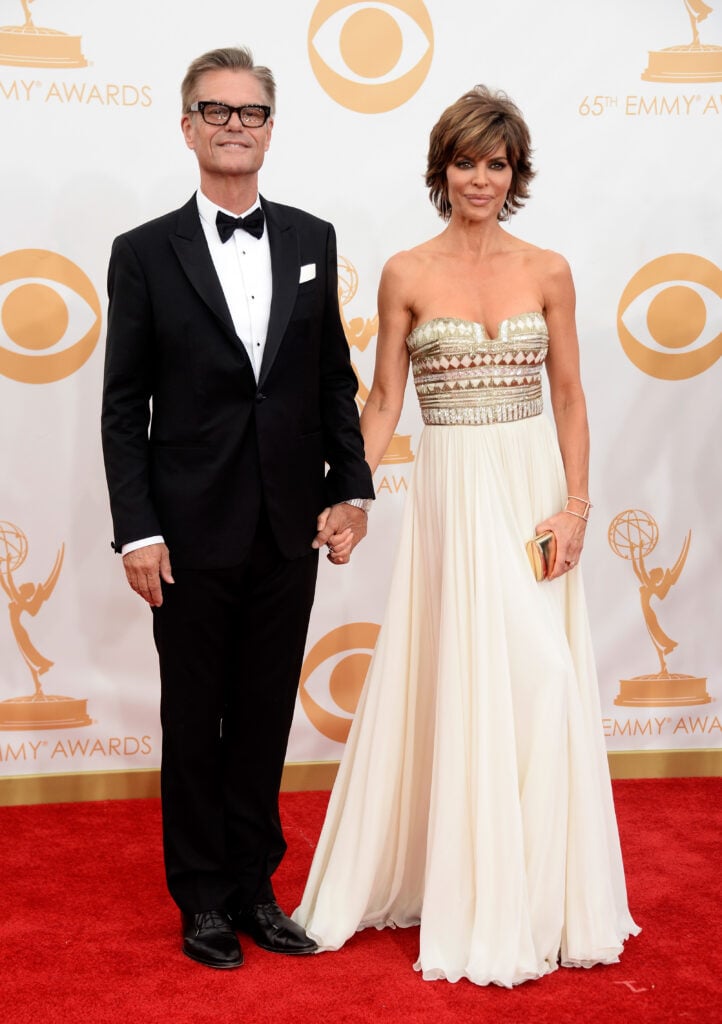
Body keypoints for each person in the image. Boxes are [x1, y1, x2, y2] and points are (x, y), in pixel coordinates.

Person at [294, 86, 640, 987]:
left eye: (496, 164)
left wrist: (577, 508)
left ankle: (543, 897)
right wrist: (351, 495)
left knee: (547, 676)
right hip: (453, 489)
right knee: (476, 678)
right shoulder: (406, 271)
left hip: (532, 491)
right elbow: (382, 402)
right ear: (440, 169)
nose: (479, 179)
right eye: (464, 162)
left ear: (515, 174)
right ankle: (479, 894)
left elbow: (570, 397)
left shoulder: (550, 269)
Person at [101, 45, 373, 970]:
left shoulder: (311, 237)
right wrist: (136, 527)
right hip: (183, 529)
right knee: (194, 717)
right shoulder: (142, 252)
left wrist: (352, 486)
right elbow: (121, 402)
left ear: (270, 128)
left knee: (263, 716)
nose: (234, 125)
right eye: (216, 111)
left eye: (250, 111)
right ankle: (203, 901)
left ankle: (257, 888)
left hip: (287, 523)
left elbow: (331, 375)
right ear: (188, 127)